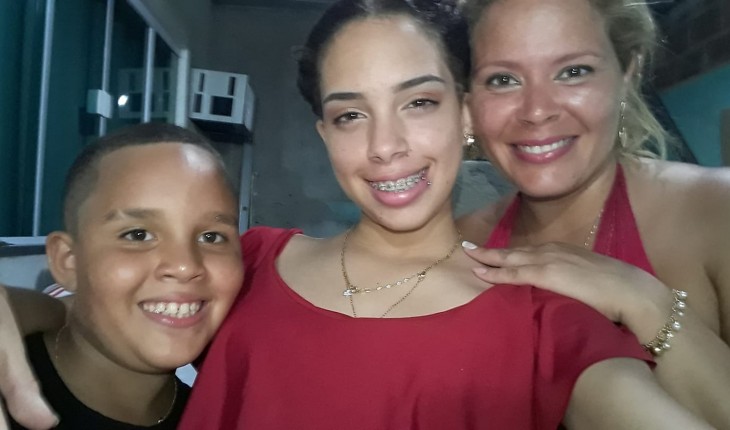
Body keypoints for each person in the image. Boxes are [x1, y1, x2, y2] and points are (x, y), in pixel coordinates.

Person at [177, 0, 709, 428]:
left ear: (467, 115)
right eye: (351, 115)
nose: (385, 146)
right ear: (325, 134)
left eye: (419, 103)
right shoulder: (248, 264)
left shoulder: (545, 320)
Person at [457, 0, 730, 427]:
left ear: (627, 74)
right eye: (503, 79)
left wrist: (646, 301)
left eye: (573, 72)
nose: (537, 111)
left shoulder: (715, 208)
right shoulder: (457, 247)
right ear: (470, 104)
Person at [3, 123, 244, 429]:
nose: (185, 265)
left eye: (211, 237)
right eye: (138, 235)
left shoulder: (213, 420)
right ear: (69, 261)